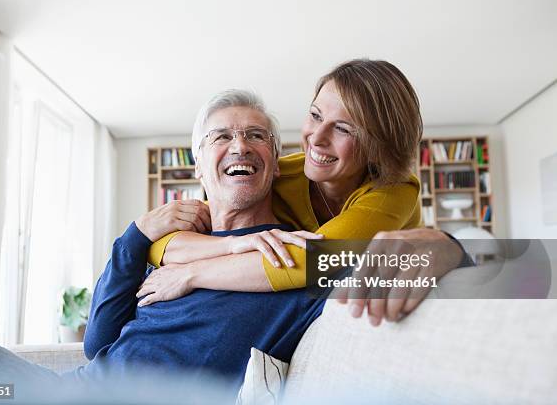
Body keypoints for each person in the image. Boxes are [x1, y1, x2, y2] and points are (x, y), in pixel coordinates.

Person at [0, 90, 327, 397]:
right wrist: (137, 235)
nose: (240, 145)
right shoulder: (170, 248)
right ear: (198, 164)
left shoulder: (291, 252)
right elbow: (98, 343)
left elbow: (382, 268)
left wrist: (390, 238)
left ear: (276, 163)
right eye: (222, 136)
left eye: (256, 135)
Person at [141, 59, 468, 326]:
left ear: (376, 148)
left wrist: (190, 274)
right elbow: (165, 244)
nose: (316, 138)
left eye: (343, 128)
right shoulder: (280, 173)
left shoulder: (394, 189)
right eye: (315, 115)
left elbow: (311, 261)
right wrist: (227, 243)